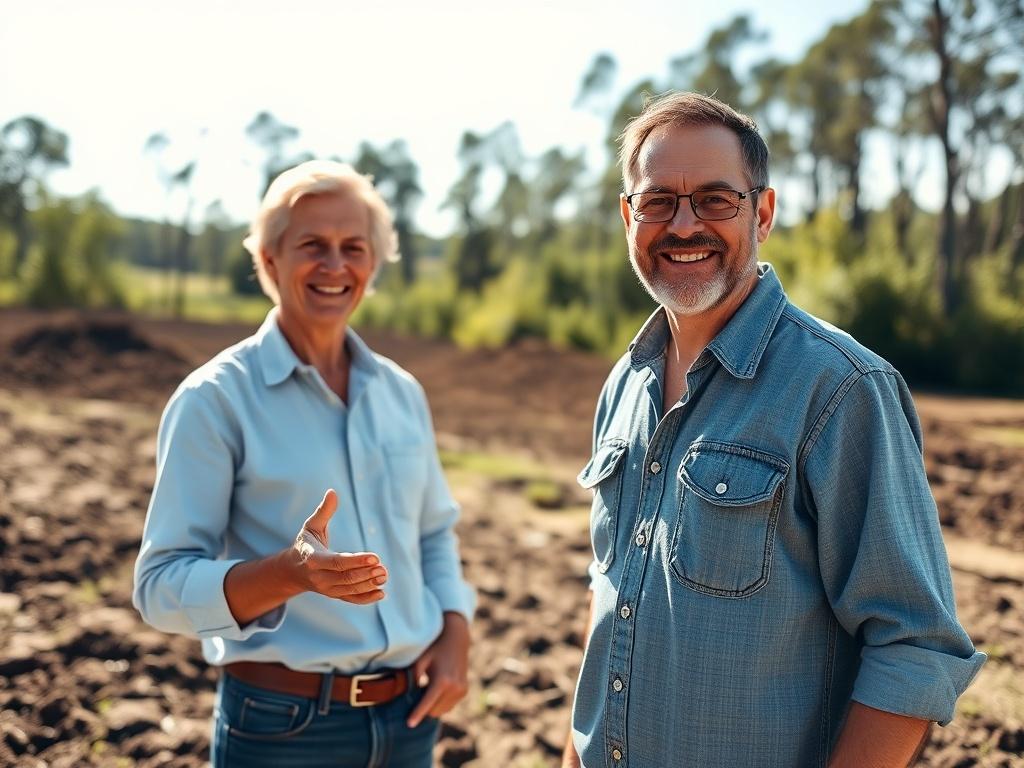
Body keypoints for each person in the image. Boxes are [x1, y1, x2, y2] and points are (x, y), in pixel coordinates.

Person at [562, 92, 985, 768]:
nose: (684, 224)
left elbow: (914, 647)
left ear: (762, 212)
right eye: (658, 202)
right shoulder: (624, 384)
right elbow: (614, 598)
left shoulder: (840, 388)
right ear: (627, 217)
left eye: (715, 200)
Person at [133, 160, 475, 768]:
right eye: (312, 245)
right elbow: (159, 587)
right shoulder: (214, 400)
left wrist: (456, 629)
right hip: (282, 729)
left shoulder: (402, 393)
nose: (335, 265)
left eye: (353, 248)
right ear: (270, 261)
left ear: (373, 263)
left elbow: (432, 534)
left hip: (410, 721)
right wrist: (290, 573)